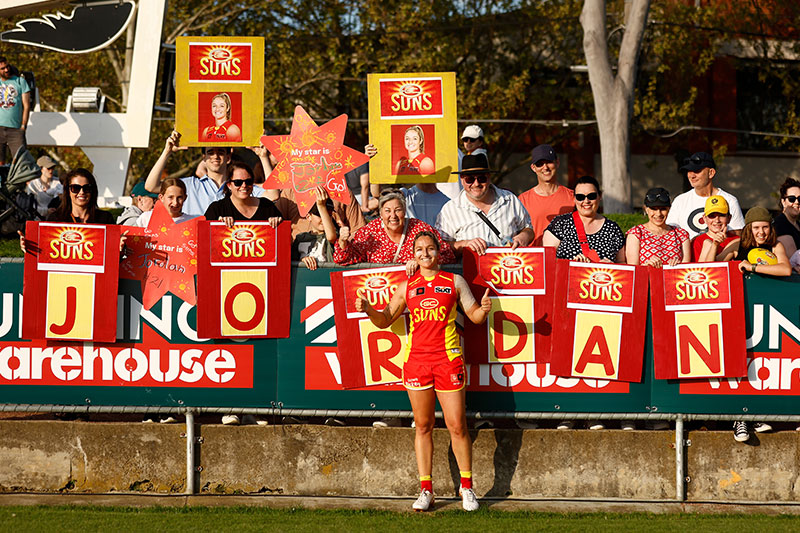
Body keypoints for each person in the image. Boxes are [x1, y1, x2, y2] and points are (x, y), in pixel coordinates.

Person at [355, 231, 491, 512]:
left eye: (430, 248)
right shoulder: (406, 287)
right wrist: (369, 309)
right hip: (416, 362)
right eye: (420, 249)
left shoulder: (455, 282)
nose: (425, 253)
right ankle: (426, 490)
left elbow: (475, 316)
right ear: (413, 254)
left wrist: (485, 309)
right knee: (423, 426)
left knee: (457, 426)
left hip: (448, 361)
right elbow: (384, 321)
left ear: (439, 253)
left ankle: (467, 488)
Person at [729, 206, 791, 443]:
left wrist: (752, 267)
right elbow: (715, 263)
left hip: (767, 313)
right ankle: (738, 419)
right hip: (738, 311)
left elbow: (785, 269)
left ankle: (754, 414)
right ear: (748, 229)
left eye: (765, 227)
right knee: (738, 360)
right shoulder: (738, 245)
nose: (761, 232)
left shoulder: (776, 246)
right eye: (756, 228)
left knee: (760, 362)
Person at [146, 131, 265, 217]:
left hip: (228, 247)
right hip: (194, 246)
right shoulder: (189, 185)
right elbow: (151, 186)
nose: (215, 156)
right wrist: (167, 152)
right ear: (204, 157)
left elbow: (273, 194)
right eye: (210, 152)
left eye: (221, 152)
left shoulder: (241, 186)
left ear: (228, 157)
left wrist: (263, 157)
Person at [436, 153, 533, 256]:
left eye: (481, 178)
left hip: (507, 268)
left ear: (489, 177)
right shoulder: (450, 209)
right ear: (462, 179)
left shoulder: (509, 200)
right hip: (469, 271)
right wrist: (464, 244)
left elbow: (528, 229)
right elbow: (439, 244)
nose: (476, 184)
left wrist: (523, 237)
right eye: (470, 179)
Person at [334, 190, 454, 265]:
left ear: (405, 211)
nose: (393, 216)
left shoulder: (420, 229)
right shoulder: (369, 232)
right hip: (380, 293)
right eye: (387, 211)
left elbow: (446, 255)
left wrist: (421, 261)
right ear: (380, 213)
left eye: (398, 210)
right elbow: (344, 259)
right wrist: (342, 242)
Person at [542, 175, 625, 263]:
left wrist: (612, 266)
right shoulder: (560, 224)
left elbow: (622, 263)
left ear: (600, 196)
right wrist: (571, 264)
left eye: (591, 196)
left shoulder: (612, 229)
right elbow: (547, 261)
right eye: (580, 197)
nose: (586, 201)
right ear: (574, 199)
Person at [666, 151, 744, 239]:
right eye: (689, 171)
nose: (691, 175)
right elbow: (670, 235)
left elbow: (738, 235)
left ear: (711, 173)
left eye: (696, 171)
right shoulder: (680, 201)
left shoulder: (730, 200)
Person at [518, 144, 575, 245]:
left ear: (557, 163)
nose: (545, 167)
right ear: (533, 167)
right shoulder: (522, 200)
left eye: (549, 162)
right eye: (540, 164)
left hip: (563, 259)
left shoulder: (573, 197)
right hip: (534, 258)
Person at [625, 187, 691, 267]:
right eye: (653, 209)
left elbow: (686, 268)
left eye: (663, 209)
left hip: (674, 278)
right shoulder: (636, 234)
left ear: (669, 209)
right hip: (647, 279)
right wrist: (646, 266)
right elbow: (633, 270)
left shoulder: (681, 235)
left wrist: (678, 266)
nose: (658, 214)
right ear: (646, 209)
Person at [204, 162, 282, 227]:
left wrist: (277, 223)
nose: (244, 185)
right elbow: (204, 238)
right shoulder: (217, 209)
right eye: (238, 182)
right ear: (229, 185)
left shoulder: (267, 206)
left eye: (248, 182)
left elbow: (283, 236)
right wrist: (218, 226)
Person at [292, 186, 337, 270]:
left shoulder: (334, 234)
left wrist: (321, 206)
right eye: (320, 215)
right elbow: (291, 260)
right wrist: (302, 260)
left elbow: (331, 237)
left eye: (329, 215)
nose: (324, 218)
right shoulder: (300, 238)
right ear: (308, 216)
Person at [0, 56, 31, 165]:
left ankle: (18, 181)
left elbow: (26, 106)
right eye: (2, 68)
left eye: (7, 66)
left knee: (21, 162)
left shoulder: (20, 81)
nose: (6, 70)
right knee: (0, 162)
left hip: (15, 129)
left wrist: (23, 126)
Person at [692, 196, 740, 262]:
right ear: (704, 219)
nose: (717, 220)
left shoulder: (736, 240)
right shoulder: (698, 241)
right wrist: (714, 245)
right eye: (712, 216)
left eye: (721, 215)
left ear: (729, 218)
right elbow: (699, 270)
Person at [773, 177, 800, 263]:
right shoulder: (780, 225)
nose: (797, 202)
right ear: (783, 202)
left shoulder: (797, 224)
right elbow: (795, 260)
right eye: (792, 199)